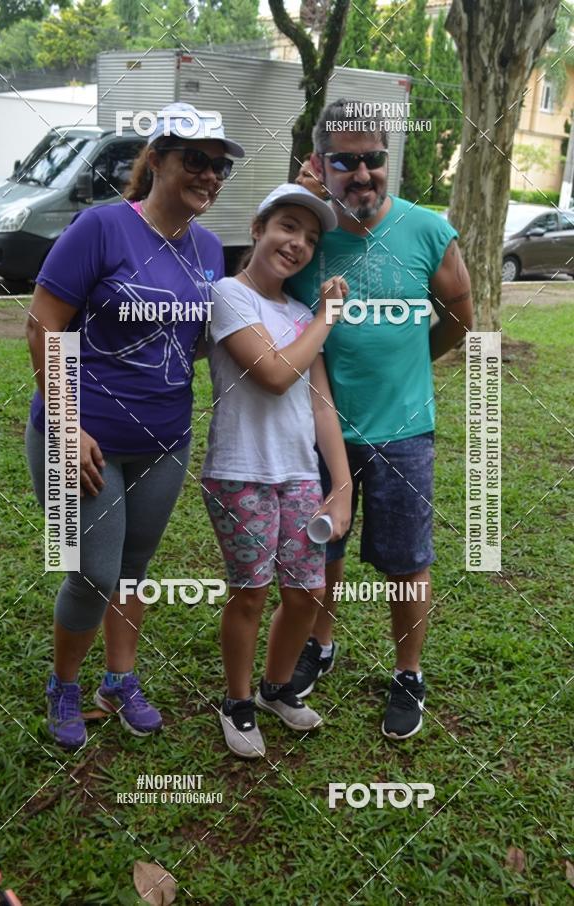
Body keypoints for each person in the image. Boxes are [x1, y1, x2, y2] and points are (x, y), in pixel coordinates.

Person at [25, 103, 244, 750]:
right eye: (196, 160)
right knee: (92, 572)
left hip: (164, 441)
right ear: (157, 160)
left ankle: (119, 680)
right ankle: (64, 684)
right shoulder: (101, 228)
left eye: (220, 165)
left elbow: (192, 338)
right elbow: (44, 325)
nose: (210, 174)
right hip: (80, 439)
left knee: (134, 568)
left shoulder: (207, 248)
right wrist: (66, 425)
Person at [286, 98, 474, 741]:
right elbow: (259, 296)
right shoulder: (306, 236)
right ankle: (321, 642)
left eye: (374, 159)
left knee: (407, 560)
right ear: (321, 164)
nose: (362, 174)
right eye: (346, 162)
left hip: (405, 430)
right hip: (322, 429)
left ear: (387, 161)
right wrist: (298, 194)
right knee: (320, 547)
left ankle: (408, 672)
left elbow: (458, 312)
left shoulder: (428, 231)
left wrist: (408, 365)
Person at [201, 184, 352, 758]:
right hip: (241, 473)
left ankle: (275, 688)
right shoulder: (228, 295)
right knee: (250, 594)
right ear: (260, 228)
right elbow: (272, 373)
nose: (299, 244)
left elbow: (321, 404)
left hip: (299, 474)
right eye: (288, 227)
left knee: (307, 592)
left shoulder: (298, 313)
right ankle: (237, 702)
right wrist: (327, 318)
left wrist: (339, 488)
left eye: (311, 239)